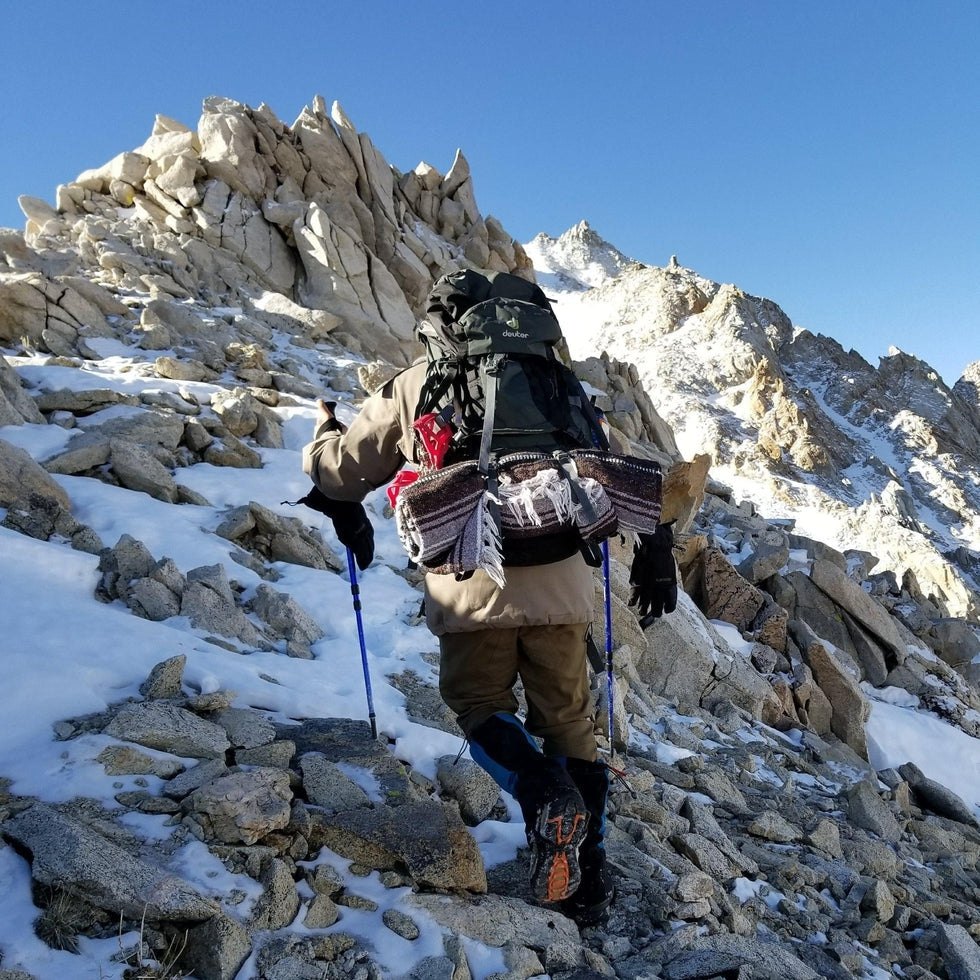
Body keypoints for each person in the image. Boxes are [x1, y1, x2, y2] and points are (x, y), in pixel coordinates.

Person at [303, 357, 675, 925]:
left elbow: (342, 473)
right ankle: (589, 880)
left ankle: (542, 792)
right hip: (562, 574)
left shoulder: (423, 380)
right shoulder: (555, 380)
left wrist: (323, 438)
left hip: (472, 575)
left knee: (479, 703)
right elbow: (613, 465)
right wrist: (657, 540)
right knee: (568, 720)